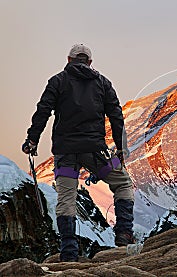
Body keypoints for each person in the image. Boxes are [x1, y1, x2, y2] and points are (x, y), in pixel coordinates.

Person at [22, 44, 135, 262]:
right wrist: (121, 148)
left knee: (66, 199)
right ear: (90, 62)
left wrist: (32, 140)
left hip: (65, 152)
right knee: (123, 183)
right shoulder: (103, 83)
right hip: (96, 151)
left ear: (69, 59)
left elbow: (43, 110)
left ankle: (69, 253)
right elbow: (116, 116)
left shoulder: (57, 81)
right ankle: (123, 235)